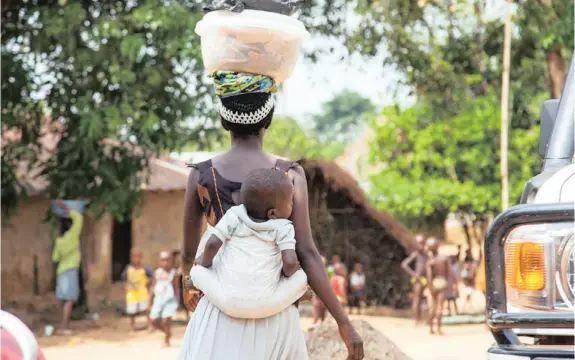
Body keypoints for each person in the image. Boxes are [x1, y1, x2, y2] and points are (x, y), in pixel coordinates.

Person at [178, 71, 363, 360]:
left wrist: (189, 288)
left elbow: (189, 253)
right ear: (268, 119)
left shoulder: (201, 176)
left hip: (218, 316)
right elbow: (307, 253)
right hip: (275, 318)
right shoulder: (290, 175)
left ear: (224, 120)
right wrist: (343, 322)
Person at [191, 168, 308, 318]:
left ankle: (193, 282)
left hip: (227, 301)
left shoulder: (233, 215)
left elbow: (212, 244)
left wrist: (204, 263)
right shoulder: (283, 227)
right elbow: (290, 262)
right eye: (290, 202)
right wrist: (286, 276)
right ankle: (297, 295)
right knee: (301, 278)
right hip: (266, 305)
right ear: (272, 213)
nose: (292, 205)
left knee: (197, 270)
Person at [51, 200, 83, 335]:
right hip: (70, 270)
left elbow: (55, 258)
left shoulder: (59, 241)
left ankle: (65, 324)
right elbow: (79, 218)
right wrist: (66, 207)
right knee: (70, 299)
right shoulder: (73, 235)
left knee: (67, 299)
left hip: (62, 271)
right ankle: (63, 327)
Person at [149, 251, 180, 347]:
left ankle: (166, 340)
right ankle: (168, 333)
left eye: (168, 260)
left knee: (165, 320)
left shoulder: (174, 273)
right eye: (163, 260)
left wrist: (178, 301)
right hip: (158, 299)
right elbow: (153, 286)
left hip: (170, 300)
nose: (165, 262)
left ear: (172, 261)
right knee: (154, 321)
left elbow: (176, 288)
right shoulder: (157, 272)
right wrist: (149, 300)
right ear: (159, 261)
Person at [426, 237, 454, 335]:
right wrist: (453, 285)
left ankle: (431, 329)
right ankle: (439, 328)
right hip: (442, 282)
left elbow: (429, 276)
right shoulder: (444, 258)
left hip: (433, 283)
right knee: (440, 307)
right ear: (438, 246)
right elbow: (450, 272)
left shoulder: (430, 261)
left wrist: (430, 287)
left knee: (432, 307)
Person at [121, 248, 153, 331]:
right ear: (131, 257)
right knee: (132, 312)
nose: (136, 259)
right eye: (133, 256)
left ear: (141, 257)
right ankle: (132, 326)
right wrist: (127, 286)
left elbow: (153, 276)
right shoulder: (128, 269)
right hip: (132, 294)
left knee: (146, 310)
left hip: (142, 292)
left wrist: (148, 282)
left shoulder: (144, 268)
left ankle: (150, 325)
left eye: (138, 256)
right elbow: (124, 279)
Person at [400, 234, 428, 326]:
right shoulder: (416, 254)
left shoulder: (426, 254)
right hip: (418, 280)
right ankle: (416, 320)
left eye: (422, 243)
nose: (420, 245)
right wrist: (414, 274)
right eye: (418, 243)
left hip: (425, 279)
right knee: (417, 299)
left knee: (421, 299)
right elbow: (404, 264)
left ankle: (420, 319)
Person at [312, 256, 328, 324]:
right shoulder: (314, 271)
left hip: (325, 294)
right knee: (316, 314)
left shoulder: (327, 271)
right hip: (317, 294)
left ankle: (322, 328)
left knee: (323, 316)